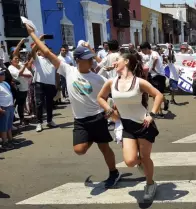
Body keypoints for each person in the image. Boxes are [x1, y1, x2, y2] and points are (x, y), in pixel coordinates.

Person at [26, 23, 122, 188]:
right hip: (80, 121)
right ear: (77, 60)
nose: (91, 62)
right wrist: (33, 34)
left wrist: (115, 111)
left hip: (97, 118)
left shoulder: (99, 79)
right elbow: (47, 53)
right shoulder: (68, 70)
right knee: (79, 150)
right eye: (87, 59)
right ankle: (90, 137)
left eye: (91, 58)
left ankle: (114, 173)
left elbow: (116, 93)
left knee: (104, 148)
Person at [97, 52, 163, 202]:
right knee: (130, 161)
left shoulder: (139, 82)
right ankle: (142, 163)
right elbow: (100, 97)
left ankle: (150, 184)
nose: (114, 62)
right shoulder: (111, 82)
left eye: (117, 60)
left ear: (126, 62)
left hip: (144, 125)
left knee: (146, 157)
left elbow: (158, 95)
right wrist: (109, 110)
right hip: (127, 126)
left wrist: (151, 114)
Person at [31, 41, 58, 132]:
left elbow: (56, 73)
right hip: (39, 84)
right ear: (40, 51)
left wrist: (56, 84)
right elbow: (32, 52)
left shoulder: (52, 60)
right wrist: (38, 41)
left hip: (50, 84)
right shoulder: (37, 59)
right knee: (39, 104)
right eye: (43, 49)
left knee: (50, 103)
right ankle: (39, 123)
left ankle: (49, 121)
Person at [140, 42, 169, 117]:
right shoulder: (149, 55)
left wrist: (153, 67)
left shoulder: (154, 53)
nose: (142, 52)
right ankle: (165, 102)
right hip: (153, 76)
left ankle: (160, 113)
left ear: (146, 49)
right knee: (156, 94)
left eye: (143, 50)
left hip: (159, 76)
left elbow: (155, 59)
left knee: (156, 95)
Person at [8, 54, 32, 126]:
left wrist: (22, 73)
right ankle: (12, 122)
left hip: (24, 88)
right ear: (11, 60)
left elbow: (30, 74)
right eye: (15, 59)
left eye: (18, 58)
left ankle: (22, 119)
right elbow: (18, 74)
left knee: (21, 104)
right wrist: (24, 67)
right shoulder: (10, 68)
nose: (17, 60)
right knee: (15, 105)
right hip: (17, 89)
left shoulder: (21, 65)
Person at [0, 69, 16, 150]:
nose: (3, 75)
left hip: (10, 106)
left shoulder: (5, 83)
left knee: (9, 125)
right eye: (1, 74)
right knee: (3, 126)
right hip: (3, 107)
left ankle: (10, 140)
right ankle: (4, 142)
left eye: (3, 74)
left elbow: (9, 93)